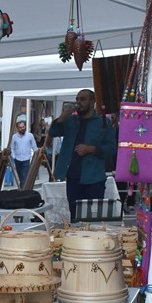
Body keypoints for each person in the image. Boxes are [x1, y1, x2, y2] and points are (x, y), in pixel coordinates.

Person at [48, 88, 116, 222]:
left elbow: (111, 148)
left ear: (92, 102)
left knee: (93, 217)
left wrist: (91, 149)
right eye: (77, 99)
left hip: (94, 177)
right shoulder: (70, 120)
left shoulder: (103, 122)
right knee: (75, 216)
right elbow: (53, 131)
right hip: (73, 177)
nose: (79, 102)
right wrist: (64, 114)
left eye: (83, 99)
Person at [10, 117, 36, 189]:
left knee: (24, 175)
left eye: (23, 127)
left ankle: (23, 189)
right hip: (17, 159)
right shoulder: (14, 137)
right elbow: (11, 147)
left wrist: (35, 156)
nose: (22, 128)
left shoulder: (30, 136)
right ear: (17, 128)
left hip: (26, 158)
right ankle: (23, 189)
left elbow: (34, 146)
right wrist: (14, 156)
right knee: (20, 175)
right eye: (20, 127)